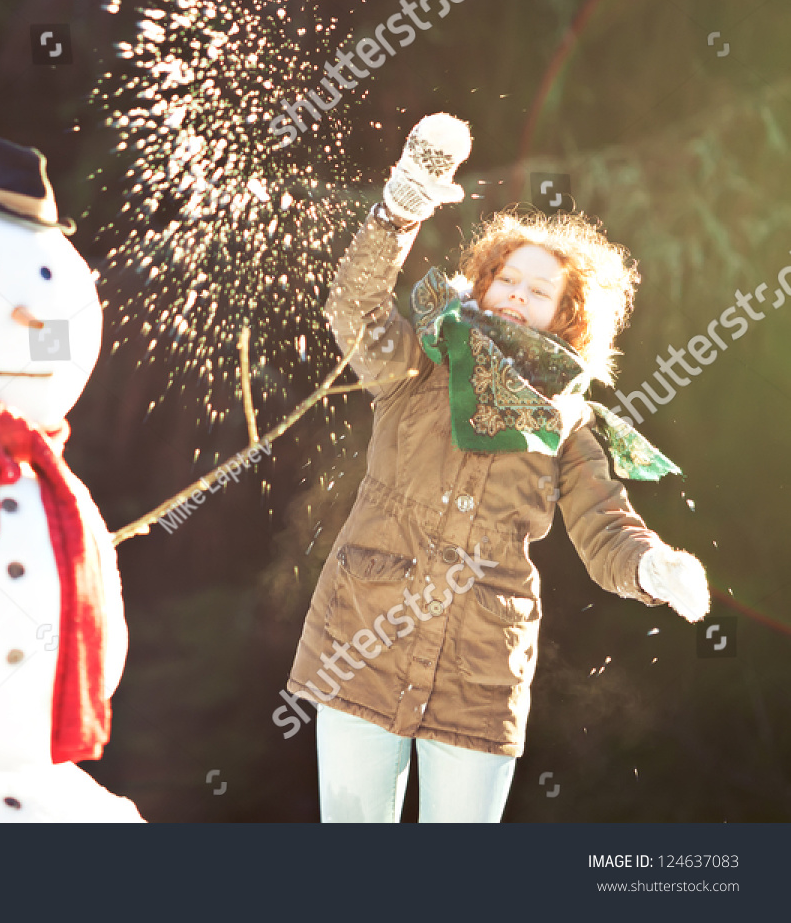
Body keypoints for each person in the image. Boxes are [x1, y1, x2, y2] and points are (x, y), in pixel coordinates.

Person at [284, 113, 710, 822]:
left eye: (537, 290)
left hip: (479, 671)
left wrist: (652, 567)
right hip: (366, 636)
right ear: (480, 284)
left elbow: (606, 528)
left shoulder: (567, 423)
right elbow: (353, 309)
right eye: (506, 276)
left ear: (565, 319)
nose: (516, 292)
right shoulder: (420, 362)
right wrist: (399, 211)